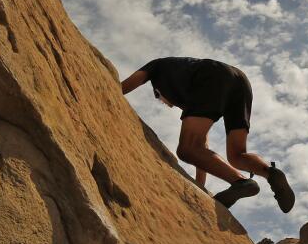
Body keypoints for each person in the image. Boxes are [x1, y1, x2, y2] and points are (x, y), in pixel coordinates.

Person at [121, 57, 295, 212]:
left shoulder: (157, 67)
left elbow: (126, 85)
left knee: (186, 149)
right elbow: (201, 148)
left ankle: (241, 182)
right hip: (241, 82)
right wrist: (200, 187)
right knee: (236, 155)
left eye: (160, 100)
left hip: (212, 75)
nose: (168, 105)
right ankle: (271, 174)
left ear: (157, 92)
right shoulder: (184, 84)